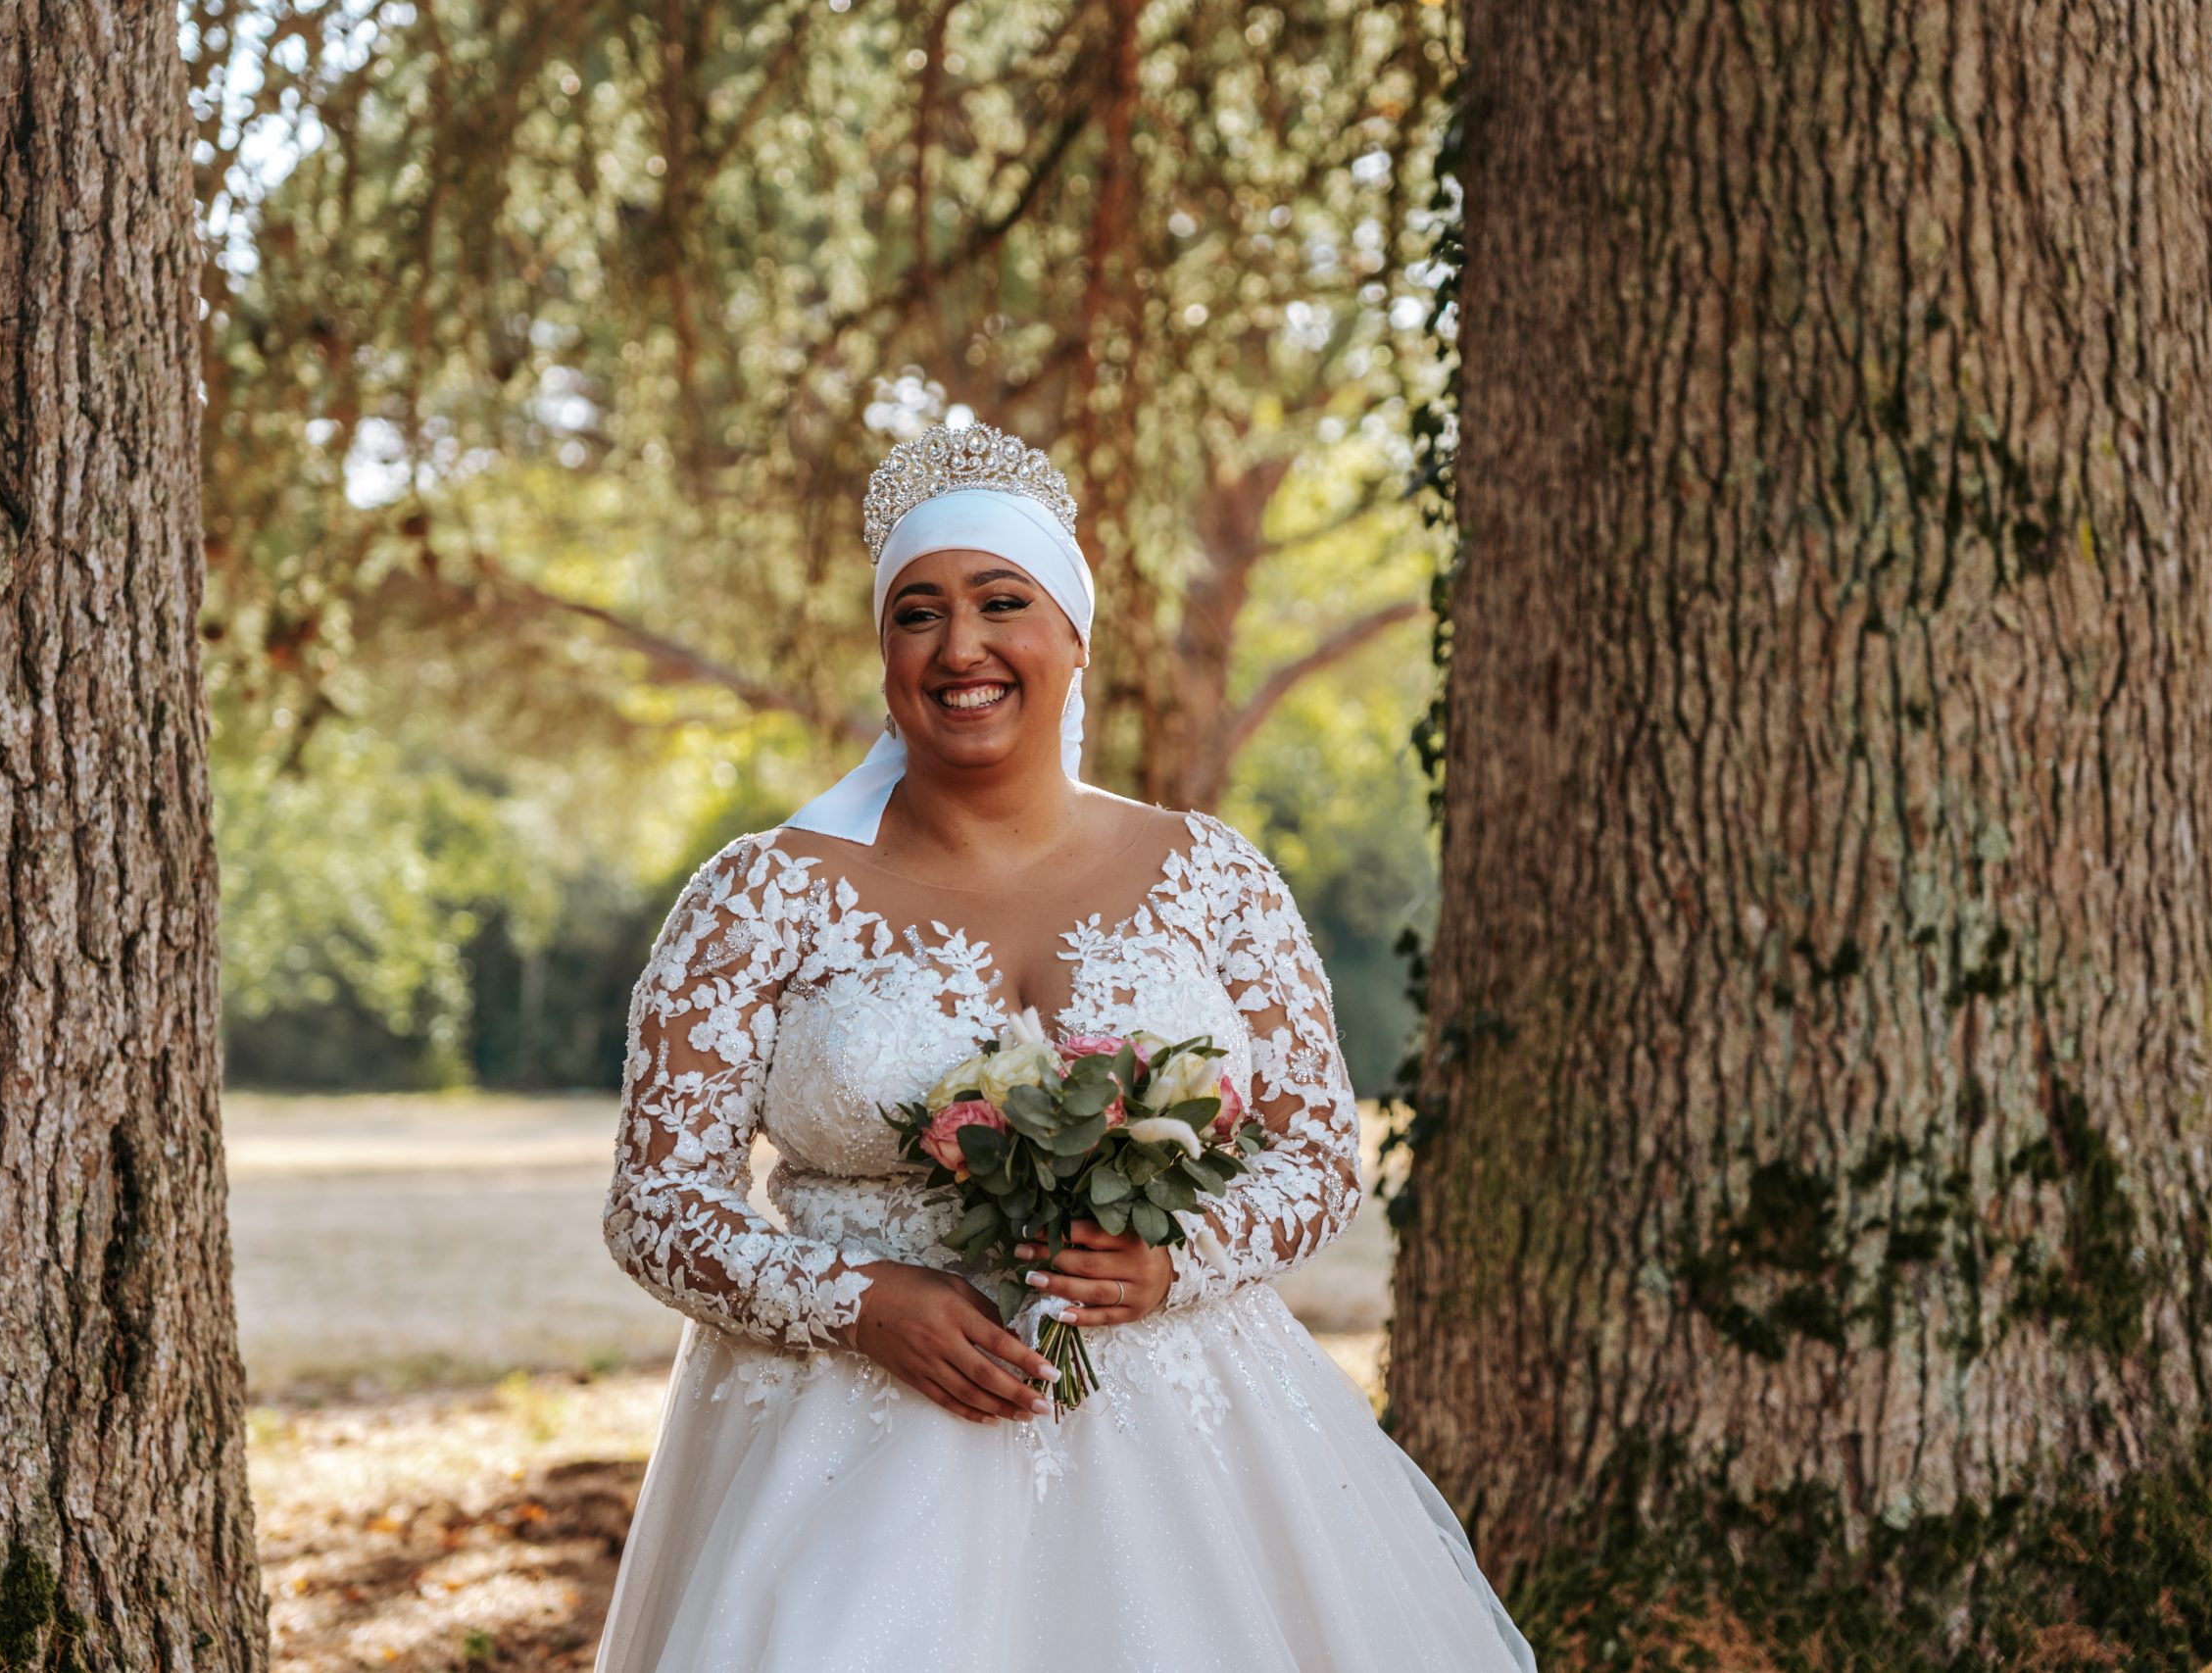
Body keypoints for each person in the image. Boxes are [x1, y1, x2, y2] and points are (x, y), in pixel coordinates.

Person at [591, 420, 1539, 1672]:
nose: (960, 646)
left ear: (1075, 636)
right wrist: (856, 1303)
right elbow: (657, 1205)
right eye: (917, 614)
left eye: (1002, 601)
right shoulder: (759, 895)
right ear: (886, 653)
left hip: (1186, 1432)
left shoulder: (1212, 877)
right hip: (846, 1428)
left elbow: (1316, 1157)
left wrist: (1173, 1261)